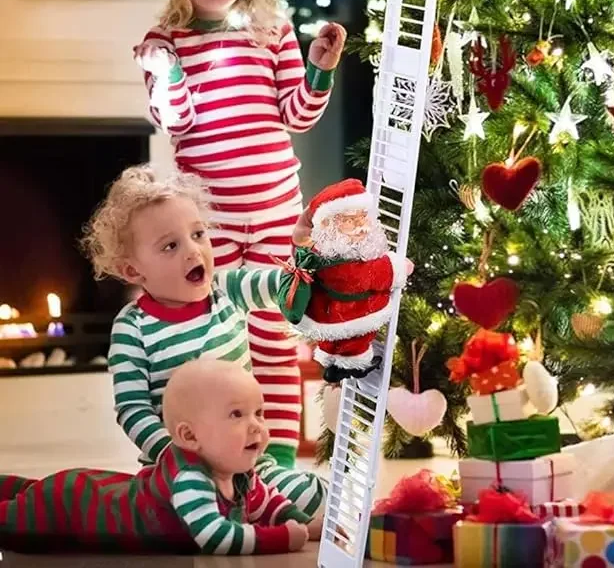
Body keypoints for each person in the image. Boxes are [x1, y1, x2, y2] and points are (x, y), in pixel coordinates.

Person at [134, 0, 347, 466]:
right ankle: (222, 460)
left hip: (276, 210)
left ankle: (274, 462)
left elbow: (297, 115)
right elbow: (172, 120)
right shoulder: (165, 41)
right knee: (222, 341)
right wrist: (168, 69)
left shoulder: (271, 31)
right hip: (210, 223)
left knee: (275, 338)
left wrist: (319, 68)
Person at [81, 164, 324, 517]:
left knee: (312, 497)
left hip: (248, 464)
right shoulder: (132, 328)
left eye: (198, 234)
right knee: (177, 517)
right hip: (178, 474)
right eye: (170, 246)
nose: (194, 251)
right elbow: (133, 410)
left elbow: (285, 284)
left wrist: (302, 246)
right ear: (134, 271)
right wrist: (177, 456)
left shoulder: (228, 292)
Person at [0, 360, 320, 555]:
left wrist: (303, 523)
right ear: (189, 436)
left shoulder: (234, 469)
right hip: (73, 507)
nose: (256, 426)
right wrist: (282, 537)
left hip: (92, 486)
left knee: (28, 489)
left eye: (259, 413)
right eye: (237, 414)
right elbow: (215, 537)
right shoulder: (190, 479)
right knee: (17, 518)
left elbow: (264, 501)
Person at [275, 179, 412, 382]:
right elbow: (371, 274)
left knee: (335, 340)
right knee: (356, 340)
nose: (360, 226)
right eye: (349, 221)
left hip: (327, 312)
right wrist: (398, 267)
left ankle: (332, 363)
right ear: (328, 226)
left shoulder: (320, 249)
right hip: (348, 313)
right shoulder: (339, 263)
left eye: (363, 217)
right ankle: (357, 364)